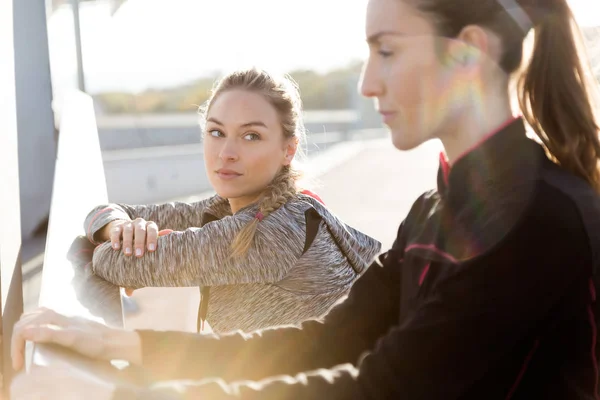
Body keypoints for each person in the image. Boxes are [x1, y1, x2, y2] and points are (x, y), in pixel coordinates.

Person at [11, 0, 600, 398]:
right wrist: (130, 344)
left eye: (387, 50)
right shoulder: (433, 210)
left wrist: (129, 389)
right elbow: (326, 338)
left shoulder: (537, 221)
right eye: (214, 132)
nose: (368, 82)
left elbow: (373, 390)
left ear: (467, 54)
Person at [77, 67, 381, 335]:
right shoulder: (227, 207)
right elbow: (105, 211)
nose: (226, 153)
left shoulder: (278, 230)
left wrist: (119, 243)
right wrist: (117, 226)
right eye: (216, 132)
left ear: (288, 149)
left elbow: (113, 263)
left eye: (251, 136)